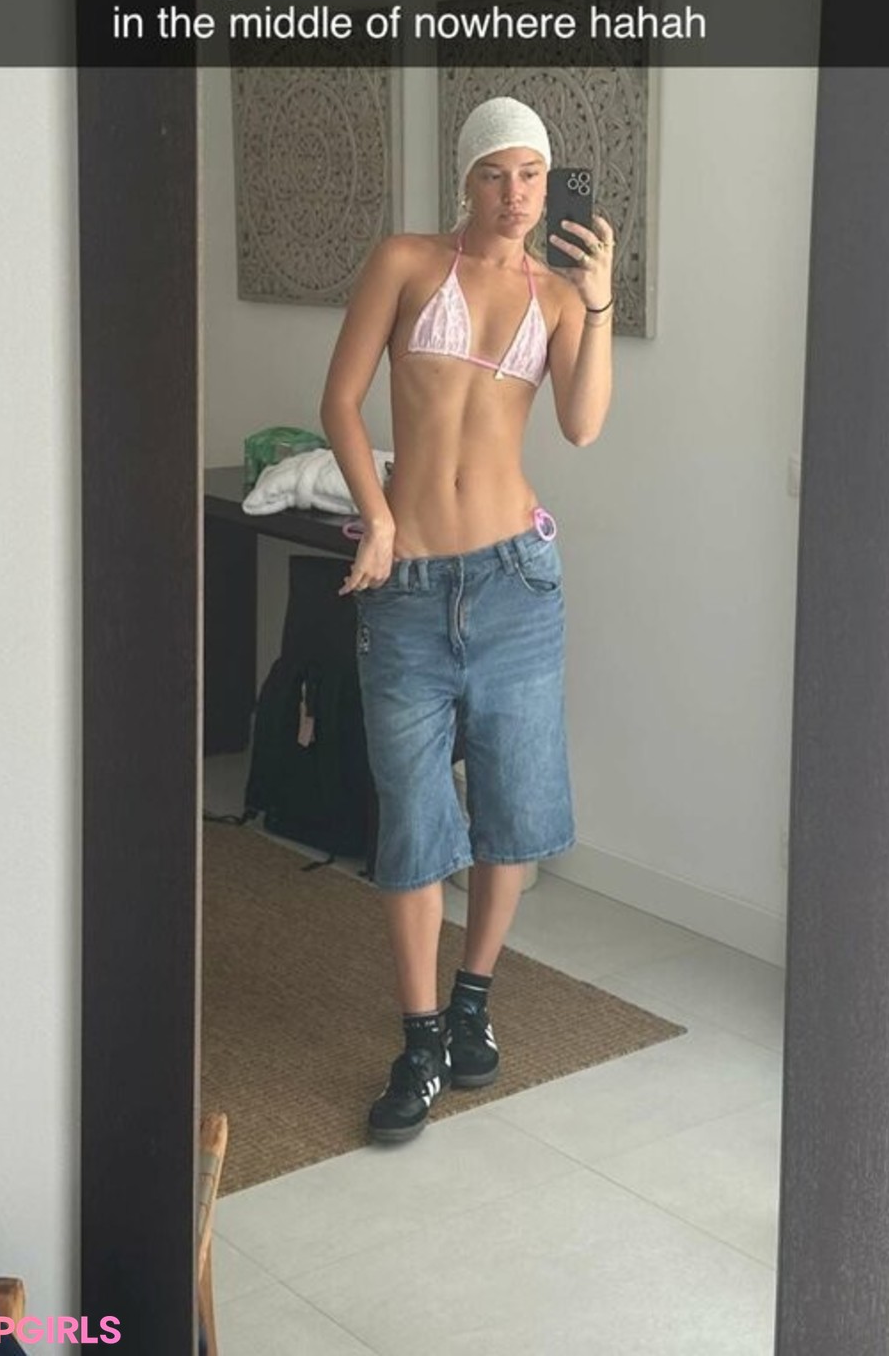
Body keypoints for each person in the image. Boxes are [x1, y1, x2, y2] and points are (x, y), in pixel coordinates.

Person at [319, 96, 614, 1144]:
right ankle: (420, 1036)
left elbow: (581, 423)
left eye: (532, 174)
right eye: (497, 172)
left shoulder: (559, 297)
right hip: (407, 585)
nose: (517, 193)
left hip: (514, 582)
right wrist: (379, 515)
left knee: (510, 810)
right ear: (467, 176)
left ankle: (473, 997)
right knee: (412, 819)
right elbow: (341, 400)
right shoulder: (405, 262)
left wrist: (600, 303)